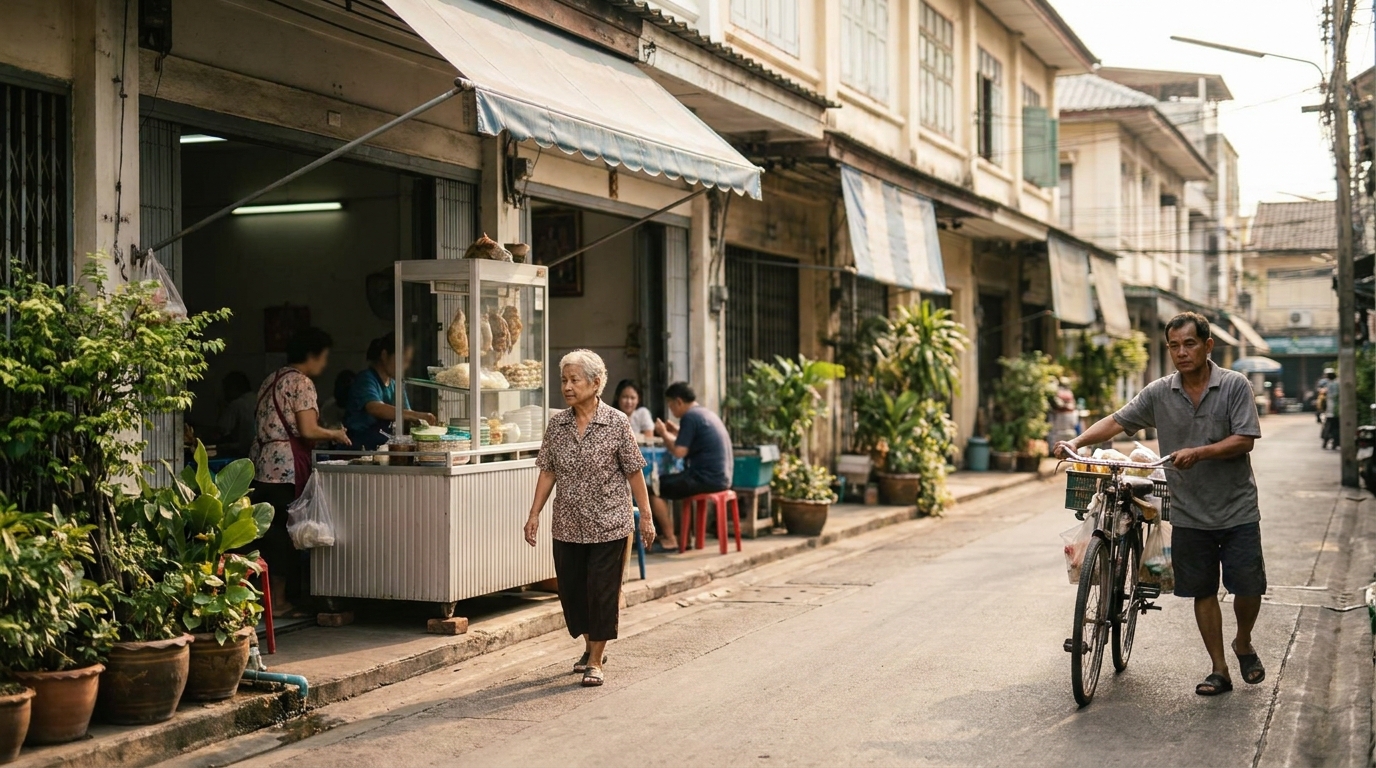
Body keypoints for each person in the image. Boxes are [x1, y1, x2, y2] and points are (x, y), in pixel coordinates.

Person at [1055, 312, 1266, 697]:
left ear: (1207, 346)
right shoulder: (1159, 392)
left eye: (1189, 344)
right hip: (1188, 511)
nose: (1181, 352)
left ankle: (1243, 642)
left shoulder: (1234, 385)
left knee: (1248, 588)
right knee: (1203, 591)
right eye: (1174, 345)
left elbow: (1245, 439)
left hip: (1237, 509)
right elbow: (1118, 421)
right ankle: (1219, 669)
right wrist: (1078, 444)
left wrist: (1199, 453)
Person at [524, 350, 654, 688]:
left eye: (574, 380)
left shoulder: (616, 423)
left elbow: (635, 472)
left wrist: (647, 518)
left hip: (610, 523)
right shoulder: (558, 424)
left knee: (602, 593)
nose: (567, 387)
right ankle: (589, 646)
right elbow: (548, 471)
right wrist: (534, 513)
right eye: (564, 380)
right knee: (573, 593)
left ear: (596, 383)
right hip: (568, 524)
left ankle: (596, 660)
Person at [251, 327, 351, 619]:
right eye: (325, 356)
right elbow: (307, 430)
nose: (325, 363)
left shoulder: (272, 379)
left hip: (261, 464)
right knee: (285, 534)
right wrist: (335, 434)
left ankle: (267, 599)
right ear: (313, 354)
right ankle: (280, 601)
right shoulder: (301, 382)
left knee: (267, 534)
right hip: (285, 469)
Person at [648, 382, 732, 552]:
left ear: (678, 401)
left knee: (654, 488)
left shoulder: (690, 417)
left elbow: (679, 452)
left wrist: (664, 433)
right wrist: (677, 431)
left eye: (671, 405)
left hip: (705, 478)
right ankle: (684, 537)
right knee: (674, 484)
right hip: (721, 478)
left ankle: (671, 539)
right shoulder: (704, 413)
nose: (671, 410)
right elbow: (694, 439)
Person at [344, 333, 436, 450]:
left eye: (407, 361)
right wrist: (416, 415)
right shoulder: (366, 379)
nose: (404, 366)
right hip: (359, 447)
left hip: (381, 448)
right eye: (402, 360)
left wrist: (422, 423)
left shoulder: (395, 384)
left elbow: (406, 412)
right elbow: (375, 407)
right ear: (384, 355)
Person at [216, 371, 257, 458]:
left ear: (234, 388)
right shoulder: (260, 398)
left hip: (242, 453)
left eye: (226, 389)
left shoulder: (237, 404)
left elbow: (221, 431)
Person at [1048, 377, 1078, 446]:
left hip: (1067, 416)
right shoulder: (1057, 392)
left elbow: (1072, 404)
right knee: (1059, 434)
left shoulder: (1068, 393)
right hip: (1060, 417)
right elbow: (1057, 404)